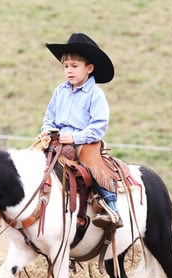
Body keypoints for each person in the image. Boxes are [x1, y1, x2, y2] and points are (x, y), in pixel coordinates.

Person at [39, 32, 122, 229]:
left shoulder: (95, 94)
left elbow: (99, 126)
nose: (69, 70)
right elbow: (49, 116)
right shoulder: (60, 90)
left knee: (93, 165)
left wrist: (75, 137)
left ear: (89, 68)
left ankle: (110, 205)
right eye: (66, 66)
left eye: (74, 66)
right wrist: (47, 130)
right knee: (34, 159)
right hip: (58, 139)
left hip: (85, 140)